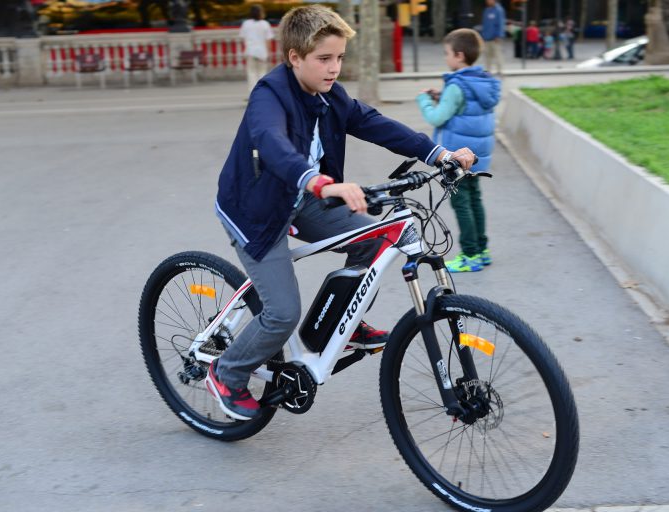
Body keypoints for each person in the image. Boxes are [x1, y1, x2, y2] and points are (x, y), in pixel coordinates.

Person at [207, 5, 478, 421]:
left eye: (339, 58)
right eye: (324, 59)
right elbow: (272, 142)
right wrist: (320, 183)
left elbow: (374, 123)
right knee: (280, 313)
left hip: (305, 197)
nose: (334, 68)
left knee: (374, 241)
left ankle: (341, 325)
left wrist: (438, 153)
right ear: (294, 57)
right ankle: (228, 372)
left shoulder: (331, 95)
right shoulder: (270, 94)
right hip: (257, 210)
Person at [416, 28, 500, 274]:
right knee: (475, 199)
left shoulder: (457, 86)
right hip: (478, 153)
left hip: (457, 155)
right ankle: (482, 251)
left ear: (460, 55)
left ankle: (470, 254)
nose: (446, 58)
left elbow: (437, 117)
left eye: (447, 53)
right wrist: (443, 96)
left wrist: (424, 100)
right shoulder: (482, 81)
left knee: (461, 203)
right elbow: (467, 106)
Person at [239, 4, 274, 93]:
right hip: (262, 52)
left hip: (250, 51)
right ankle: (262, 92)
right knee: (262, 73)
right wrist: (269, 52)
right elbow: (268, 40)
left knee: (251, 73)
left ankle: (252, 92)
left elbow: (243, 38)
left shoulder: (246, 24)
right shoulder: (265, 24)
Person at [479, 0, 505, 75]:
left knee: (497, 54)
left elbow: (501, 23)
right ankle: (487, 70)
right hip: (486, 37)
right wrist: (483, 36)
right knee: (487, 55)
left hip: (495, 38)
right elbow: (484, 24)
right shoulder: (486, 10)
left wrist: (499, 35)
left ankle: (500, 70)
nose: (487, 1)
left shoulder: (499, 10)